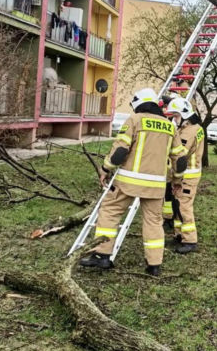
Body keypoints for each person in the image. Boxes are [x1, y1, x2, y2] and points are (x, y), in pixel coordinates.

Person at [79, 87, 187, 276]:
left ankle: (102, 255)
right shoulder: (170, 126)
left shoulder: (134, 120)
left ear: (138, 103)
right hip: (156, 186)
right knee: (154, 222)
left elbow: (120, 151)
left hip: (127, 183)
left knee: (110, 212)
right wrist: (177, 180)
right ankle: (154, 265)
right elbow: (180, 160)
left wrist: (105, 169)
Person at [164, 96, 205, 253]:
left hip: (186, 176)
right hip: (186, 175)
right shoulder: (194, 128)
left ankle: (190, 240)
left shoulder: (188, 132)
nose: (174, 120)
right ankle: (179, 235)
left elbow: (180, 156)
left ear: (184, 115)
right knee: (177, 206)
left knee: (184, 207)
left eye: (175, 116)